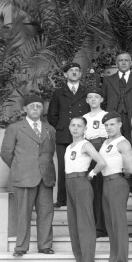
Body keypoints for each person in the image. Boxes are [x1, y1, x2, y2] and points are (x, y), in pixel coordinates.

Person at [0, 94, 56, 257]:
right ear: (25, 109)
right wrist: (19, 167)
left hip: (45, 177)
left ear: (42, 109)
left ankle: (45, 245)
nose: (35, 109)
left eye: (39, 106)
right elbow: (6, 153)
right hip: (23, 177)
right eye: (32, 106)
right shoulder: (15, 128)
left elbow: (49, 152)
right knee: (23, 213)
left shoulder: (49, 129)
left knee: (46, 212)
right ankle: (21, 247)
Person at [64, 116, 106, 262]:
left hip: (81, 182)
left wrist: (92, 174)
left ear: (85, 129)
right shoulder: (69, 147)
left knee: (85, 224)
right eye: (73, 125)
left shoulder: (85, 145)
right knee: (73, 224)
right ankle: (80, 260)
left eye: (79, 126)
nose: (75, 128)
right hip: (69, 183)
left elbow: (101, 162)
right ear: (69, 127)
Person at [48, 62, 90, 208]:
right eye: (71, 70)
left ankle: (82, 198)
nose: (74, 72)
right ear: (65, 74)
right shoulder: (58, 93)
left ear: (80, 74)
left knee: (83, 166)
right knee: (63, 167)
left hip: (83, 136)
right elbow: (52, 115)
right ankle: (62, 199)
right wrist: (61, 127)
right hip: (64, 135)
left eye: (76, 70)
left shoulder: (87, 92)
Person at [99, 112, 132, 262]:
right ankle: (113, 260)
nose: (109, 127)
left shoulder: (123, 143)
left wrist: (120, 176)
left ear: (120, 124)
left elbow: (131, 168)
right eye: (106, 125)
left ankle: (122, 261)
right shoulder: (106, 142)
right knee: (110, 223)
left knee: (118, 223)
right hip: (106, 182)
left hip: (117, 181)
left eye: (112, 124)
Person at [84, 84, 109, 236]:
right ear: (87, 100)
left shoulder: (106, 115)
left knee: (101, 189)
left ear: (102, 99)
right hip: (88, 152)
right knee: (91, 189)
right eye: (90, 97)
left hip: (102, 150)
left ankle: (102, 226)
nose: (93, 100)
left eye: (96, 97)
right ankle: (92, 223)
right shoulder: (84, 118)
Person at [101, 52, 132, 141]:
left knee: (131, 143)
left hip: (131, 117)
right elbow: (103, 100)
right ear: (116, 63)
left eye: (126, 60)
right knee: (113, 143)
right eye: (120, 60)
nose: (123, 63)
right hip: (113, 117)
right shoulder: (108, 80)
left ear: (131, 63)